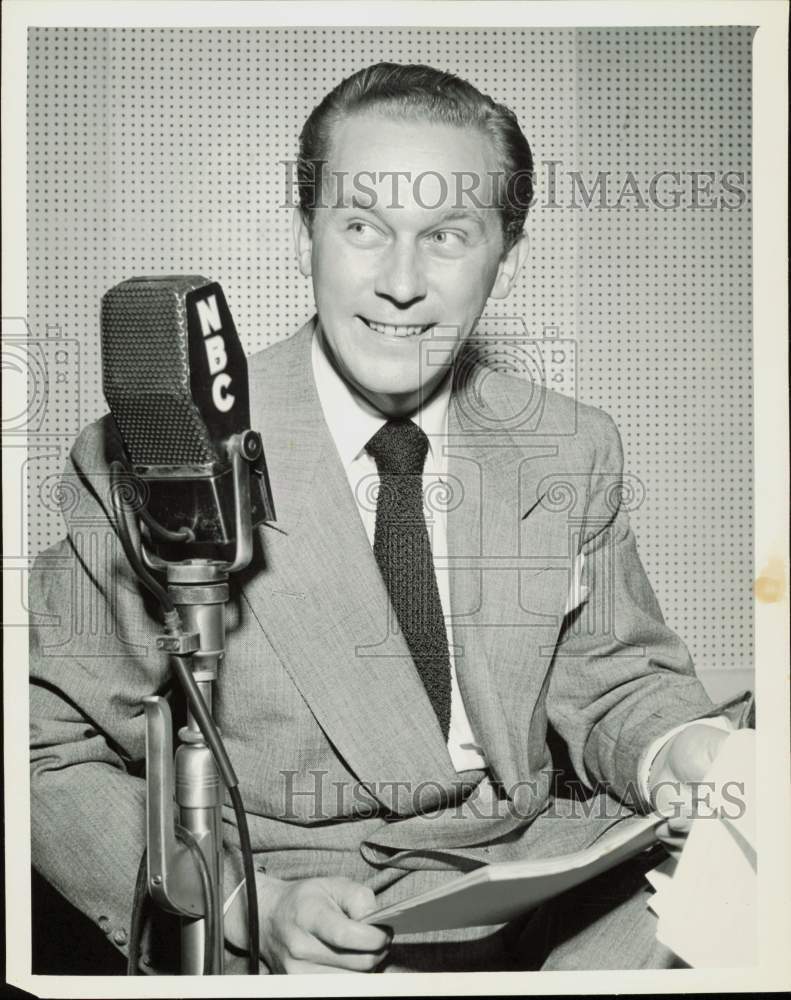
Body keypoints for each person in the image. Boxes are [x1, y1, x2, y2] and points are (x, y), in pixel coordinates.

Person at [29, 62, 754, 974]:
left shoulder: (569, 446)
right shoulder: (158, 452)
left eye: (448, 234)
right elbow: (39, 750)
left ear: (505, 255)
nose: (400, 283)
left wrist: (685, 754)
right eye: (363, 228)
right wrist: (246, 904)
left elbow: (611, 683)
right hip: (298, 901)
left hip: (551, 877)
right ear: (305, 239)